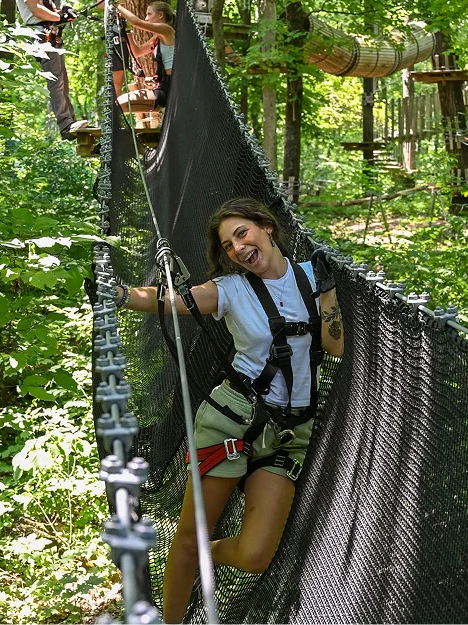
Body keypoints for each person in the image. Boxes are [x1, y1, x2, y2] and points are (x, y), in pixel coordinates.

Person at [114, 198, 344, 623]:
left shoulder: (313, 276)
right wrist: (121, 295)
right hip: (231, 421)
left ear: (267, 228)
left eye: (243, 234)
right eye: (229, 244)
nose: (238, 248)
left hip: (290, 433)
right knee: (188, 536)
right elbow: (171, 301)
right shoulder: (232, 290)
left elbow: (334, 345)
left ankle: (210, 554)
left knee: (255, 554)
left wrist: (328, 290)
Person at [14, 0, 88, 141]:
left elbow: (48, 12)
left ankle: (71, 122)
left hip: (49, 35)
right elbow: (36, 10)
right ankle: (66, 125)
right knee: (56, 81)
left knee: (62, 80)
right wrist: (60, 17)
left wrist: (64, 14)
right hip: (40, 37)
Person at [115, 0, 175, 129]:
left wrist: (116, 5)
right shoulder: (159, 36)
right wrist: (127, 31)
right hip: (163, 85)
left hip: (170, 87)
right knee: (120, 104)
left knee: (121, 103)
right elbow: (137, 52)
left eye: (149, 14)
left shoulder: (167, 30)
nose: (146, 18)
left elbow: (137, 22)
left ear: (160, 15)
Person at [95, 0, 132, 98]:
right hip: (117, 29)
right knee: (118, 76)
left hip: (139, 25)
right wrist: (117, 5)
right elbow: (100, 3)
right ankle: (117, 114)